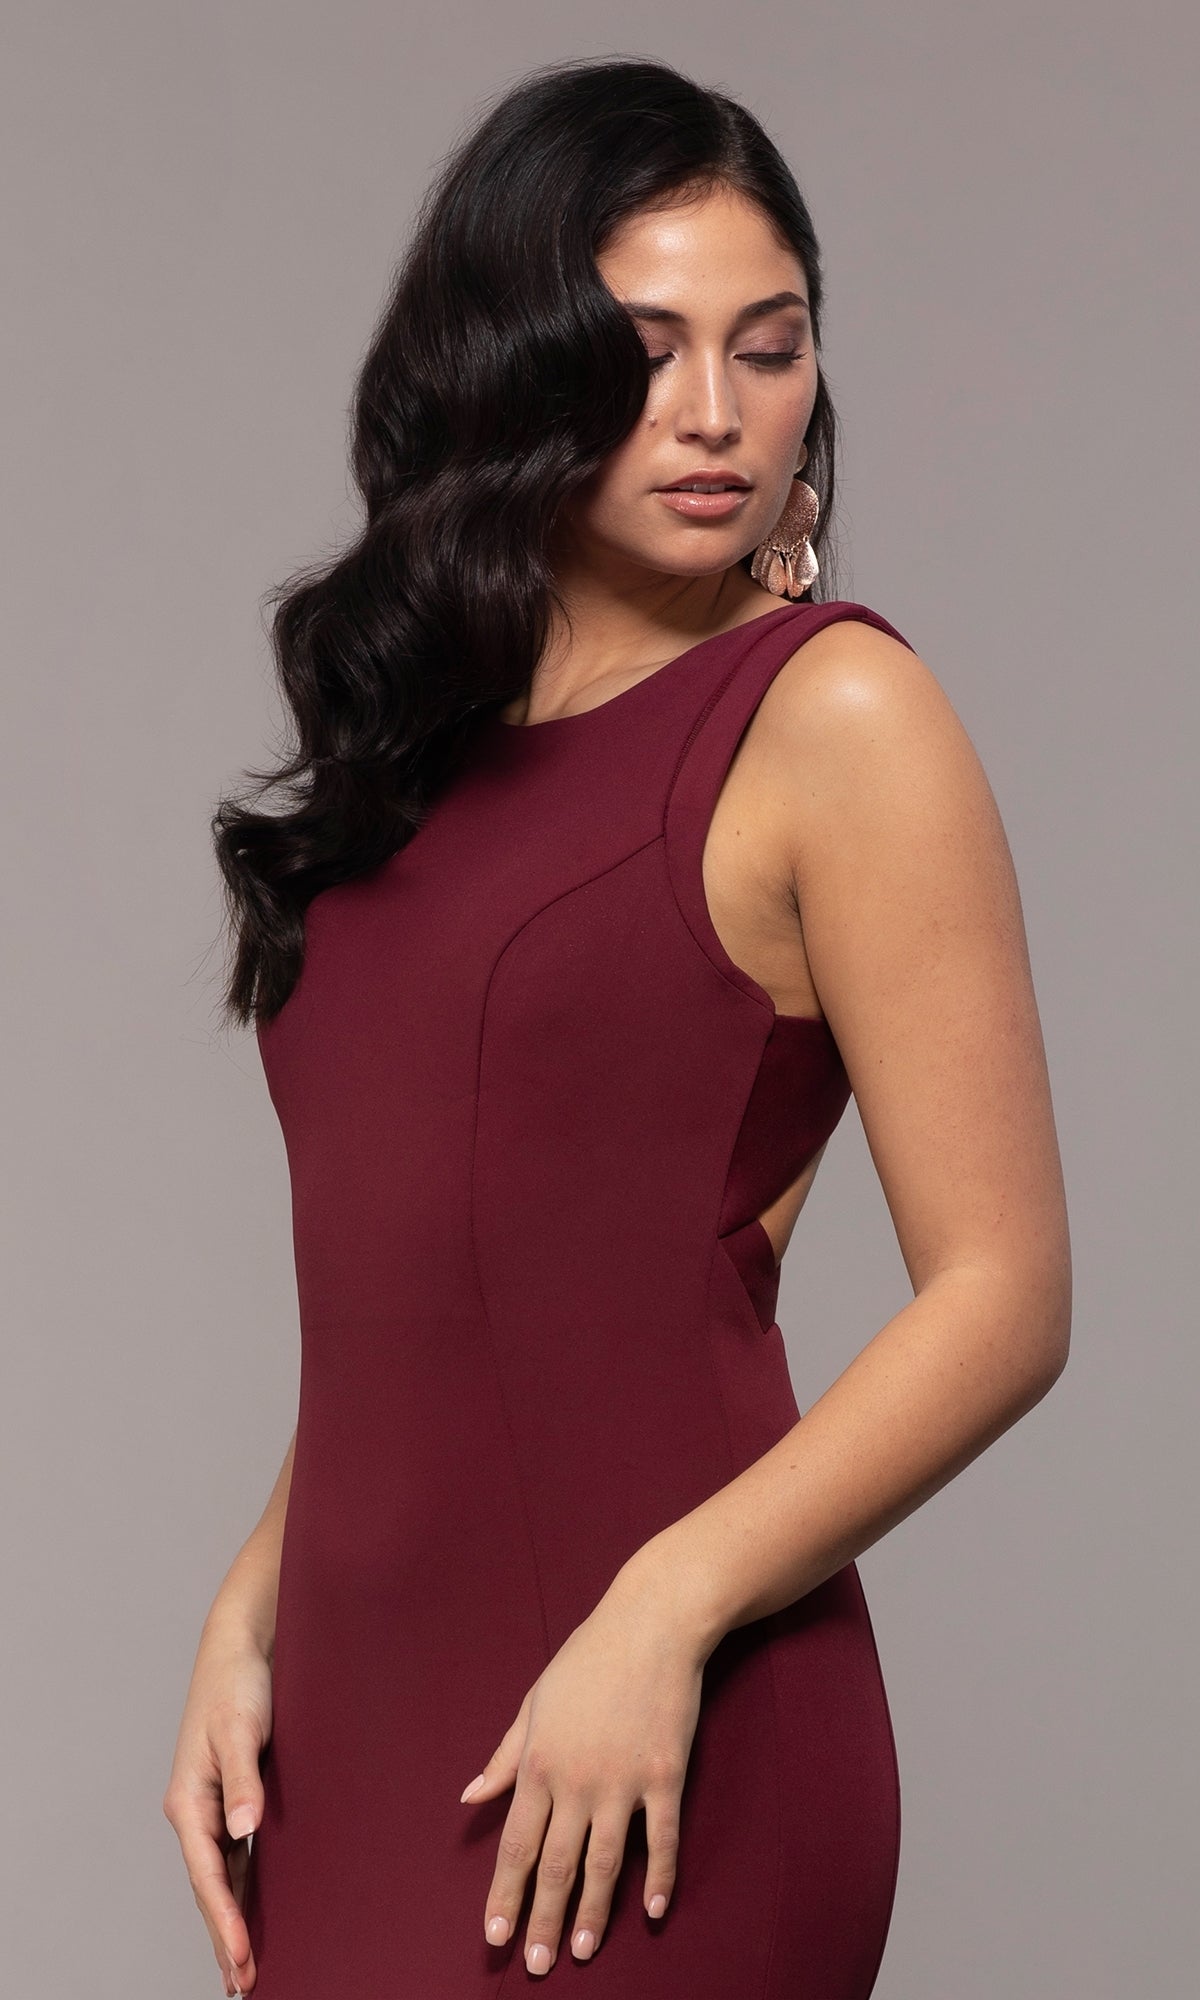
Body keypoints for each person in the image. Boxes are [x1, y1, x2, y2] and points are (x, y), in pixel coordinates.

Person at [163, 55, 1071, 1999]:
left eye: (772, 344)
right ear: (513, 368)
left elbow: (1004, 1292)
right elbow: (457, 1267)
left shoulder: (831, 719)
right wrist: (254, 1598)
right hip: (360, 1724)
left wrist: (663, 1607)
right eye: (645, 349)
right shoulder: (414, 767)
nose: (718, 414)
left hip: (661, 1731)